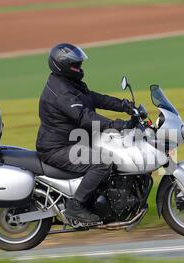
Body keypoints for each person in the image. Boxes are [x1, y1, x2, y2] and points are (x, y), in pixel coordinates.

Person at [36, 43, 138, 223]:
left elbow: (92, 98)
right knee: (102, 162)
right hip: (58, 148)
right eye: (75, 64)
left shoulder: (67, 83)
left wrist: (123, 105)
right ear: (63, 65)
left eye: (79, 63)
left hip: (71, 141)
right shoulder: (61, 92)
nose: (79, 67)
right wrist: (117, 124)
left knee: (112, 148)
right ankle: (76, 206)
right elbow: (84, 117)